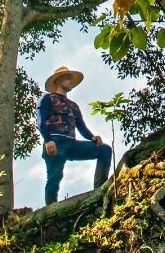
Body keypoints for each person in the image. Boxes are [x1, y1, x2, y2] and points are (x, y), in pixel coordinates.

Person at [37, 64, 113, 206]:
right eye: (67, 78)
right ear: (58, 81)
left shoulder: (73, 106)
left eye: (71, 79)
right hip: (55, 142)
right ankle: (50, 208)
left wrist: (92, 137)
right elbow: (40, 122)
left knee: (104, 150)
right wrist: (48, 140)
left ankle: (100, 189)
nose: (70, 81)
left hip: (72, 144)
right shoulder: (47, 98)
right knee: (54, 178)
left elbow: (81, 127)